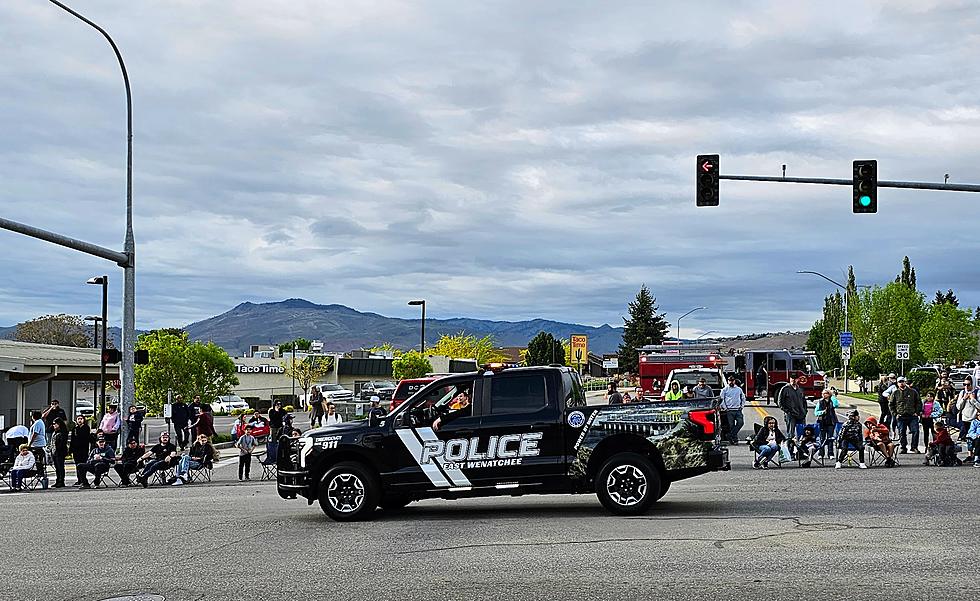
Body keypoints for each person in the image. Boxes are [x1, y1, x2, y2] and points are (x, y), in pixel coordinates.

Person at [889, 376, 922, 453]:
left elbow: (918, 402)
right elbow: (891, 405)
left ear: (905, 382)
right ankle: (903, 447)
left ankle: (914, 447)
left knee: (915, 431)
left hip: (912, 416)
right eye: (900, 382)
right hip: (901, 416)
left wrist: (917, 412)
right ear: (897, 383)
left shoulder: (913, 392)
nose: (901, 383)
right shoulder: (895, 393)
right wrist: (895, 414)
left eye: (902, 381)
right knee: (902, 432)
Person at [719, 376, 746, 444]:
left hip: (738, 410)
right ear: (728, 381)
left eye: (732, 380)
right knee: (731, 425)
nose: (731, 382)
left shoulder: (739, 389)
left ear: (734, 381)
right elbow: (722, 399)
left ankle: (730, 435)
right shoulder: (724, 389)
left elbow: (743, 398)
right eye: (730, 380)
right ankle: (735, 439)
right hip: (729, 410)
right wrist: (725, 408)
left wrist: (742, 406)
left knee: (740, 423)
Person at [814, 388, 840, 457]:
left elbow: (836, 405)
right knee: (822, 438)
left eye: (825, 393)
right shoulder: (820, 402)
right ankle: (821, 453)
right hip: (822, 422)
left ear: (829, 394)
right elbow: (816, 412)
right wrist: (822, 412)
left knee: (830, 438)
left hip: (831, 421)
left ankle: (830, 453)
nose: (823, 395)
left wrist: (833, 396)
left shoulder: (832, 401)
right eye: (822, 393)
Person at [69, 416, 93, 487]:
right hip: (76, 450)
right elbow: (72, 439)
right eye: (78, 419)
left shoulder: (86, 428)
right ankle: (79, 479)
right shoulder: (75, 429)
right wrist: (71, 449)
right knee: (77, 464)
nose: (79, 420)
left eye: (81, 419)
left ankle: (83, 479)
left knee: (83, 464)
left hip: (83, 449)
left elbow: (86, 437)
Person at [956, 377, 980, 443]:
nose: (966, 386)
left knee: (976, 440)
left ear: (973, 384)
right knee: (969, 442)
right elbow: (958, 407)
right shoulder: (962, 392)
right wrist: (963, 399)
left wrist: (973, 400)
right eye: (964, 384)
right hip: (964, 419)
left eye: (968, 384)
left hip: (975, 419)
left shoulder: (978, 392)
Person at [48, 419, 69, 488]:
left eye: (55, 424)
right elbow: (49, 429)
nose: (54, 425)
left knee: (60, 467)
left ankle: (61, 481)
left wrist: (58, 449)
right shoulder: (54, 432)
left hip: (60, 452)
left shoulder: (63, 432)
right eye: (53, 424)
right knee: (56, 467)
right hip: (54, 452)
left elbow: (62, 443)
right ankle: (57, 480)